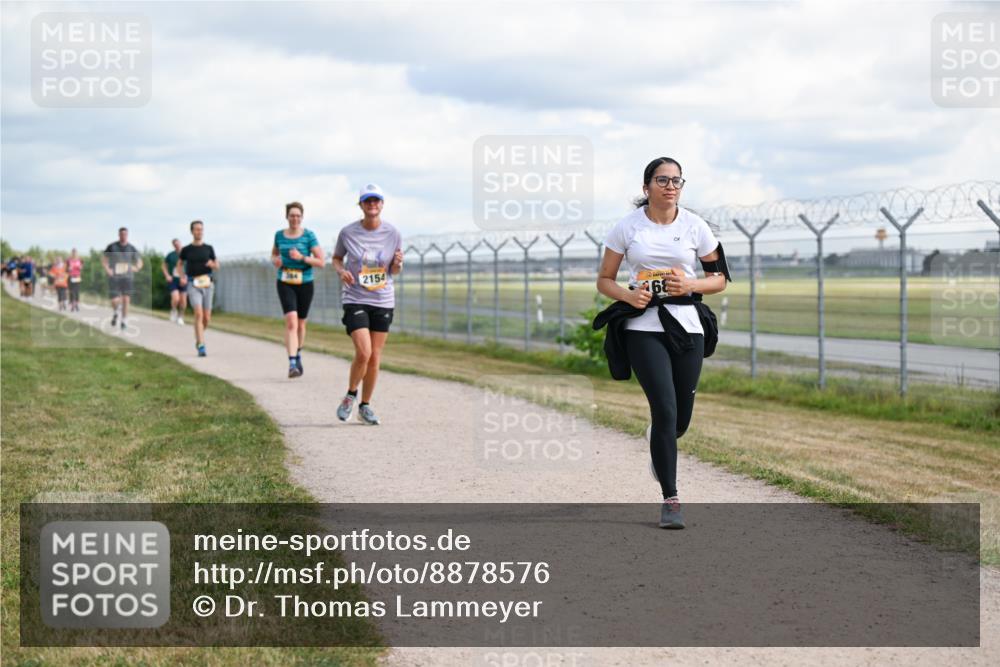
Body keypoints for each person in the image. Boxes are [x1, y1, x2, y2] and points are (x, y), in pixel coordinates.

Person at [596, 157, 730, 529]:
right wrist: (627, 296)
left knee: (679, 420)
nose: (670, 186)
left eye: (676, 180)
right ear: (646, 188)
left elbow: (718, 279)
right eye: (662, 180)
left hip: (687, 326)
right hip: (643, 327)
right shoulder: (627, 228)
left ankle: (660, 439)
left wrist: (691, 285)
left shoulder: (695, 226)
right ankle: (671, 499)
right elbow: (605, 279)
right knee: (665, 410)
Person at [333, 183, 403, 426]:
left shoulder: (393, 233)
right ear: (361, 205)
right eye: (367, 200)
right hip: (355, 298)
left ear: (382, 204)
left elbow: (393, 270)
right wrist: (341, 271)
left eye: (376, 200)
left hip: (382, 299)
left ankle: (365, 406)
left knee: (375, 357)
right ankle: (350, 395)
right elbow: (336, 259)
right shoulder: (348, 232)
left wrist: (398, 265)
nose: (372, 204)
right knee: (364, 352)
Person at [272, 202, 324, 377]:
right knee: (291, 322)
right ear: (286, 217)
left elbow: (321, 261)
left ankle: (298, 352)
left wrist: (302, 257)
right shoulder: (279, 235)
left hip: (305, 282)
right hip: (285, 281)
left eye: (298, 215)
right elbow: (274, 254)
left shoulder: (309, 236)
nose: (294, 218)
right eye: (291, 215)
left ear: (302, 217)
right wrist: (276, 260)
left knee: (301, 324)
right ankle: (292, 363)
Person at [178, 221, 218, 357]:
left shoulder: (209, 248)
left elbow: (217, 265)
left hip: (208, 283)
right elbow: (179, 264)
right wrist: (182, 276)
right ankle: (201, 345)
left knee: (207, 318)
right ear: (192, 231)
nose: (199, 232)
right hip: (193, 284)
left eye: (201, 230)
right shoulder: (186, 250)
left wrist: (212, 264)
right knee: (198, 314)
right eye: (196, 230)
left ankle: (198, 335)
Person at [102, 227, 143, 331]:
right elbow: (104, 260)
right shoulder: (112, 246)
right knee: (114, 299)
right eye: (121, 234)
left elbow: (139, 262)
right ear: (119, 235)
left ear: (127, 235)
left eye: (125, 234)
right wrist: (108, 270)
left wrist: (137, 267)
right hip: (114, 276)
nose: (123, 236)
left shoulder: (131, 248)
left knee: (126, 299)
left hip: (127, 277)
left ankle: (124, 321)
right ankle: (116, 311)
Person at [162, 238, 188, 325]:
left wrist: (186, 278)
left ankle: (180, 317)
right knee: (176, 298)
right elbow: (164, 265)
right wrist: (167, 275)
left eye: (178, 244)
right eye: (175, 244)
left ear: (181, 244)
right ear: (173, 245)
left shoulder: (186, 254)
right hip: (174, 280)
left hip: (184, 280)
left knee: (183, 300)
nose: (177, 246)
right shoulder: (171, 255)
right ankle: (173, 310)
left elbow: (191, 267)